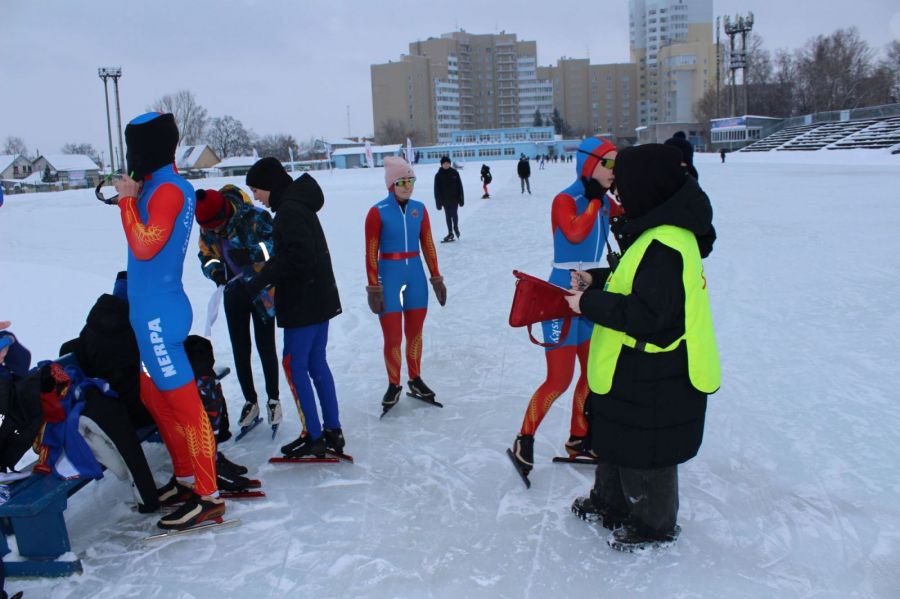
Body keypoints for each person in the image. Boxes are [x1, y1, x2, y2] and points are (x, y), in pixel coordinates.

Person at [566, 143, 720, 551]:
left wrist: (589, 304)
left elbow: (652, 317)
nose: (617, 192)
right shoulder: (654, 230)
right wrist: (596, 279)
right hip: (632, 364)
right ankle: (612, 501)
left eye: (623, 184)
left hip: (658, 370)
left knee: (648, 451)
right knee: (616, 437)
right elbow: (633, 280)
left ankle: (654, 524)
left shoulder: (667, 244)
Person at [112, 112, 224, 530]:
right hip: (148, 314)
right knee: (155, 398)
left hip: (160, 316)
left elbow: (145, 246)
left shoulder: (169, 190)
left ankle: (208, 495)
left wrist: (127, 201)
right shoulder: (158, 186)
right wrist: (133, 195)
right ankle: (186, 479)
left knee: (185, 407)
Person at [510, 136, 619, 480]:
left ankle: (578, 436)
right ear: (589, 164)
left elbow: (636, 217)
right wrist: (594, 203)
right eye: (608, 163)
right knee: (559, 378)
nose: (614, 171)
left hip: (591, 291)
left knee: (591, 373)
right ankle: (524, 438)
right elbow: (574, 233)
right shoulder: (565, 200)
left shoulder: (605, 201)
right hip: (559, 295)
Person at [244, 158, 345, 458]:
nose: (255, 197)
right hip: (320, 299)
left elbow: (297, 258)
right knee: (316, 363)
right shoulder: (299, 204)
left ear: (269, 185)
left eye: (256, 190)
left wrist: (261, 279)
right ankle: (332, 430)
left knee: (294, 364)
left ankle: (314, 435)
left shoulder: (288, 211)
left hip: (303, 304)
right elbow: (297, 254)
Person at [195, 185, 281, 434]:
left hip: (262, 290)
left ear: (225, 213)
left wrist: (250, 255)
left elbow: (275, 246)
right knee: (240, 349)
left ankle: (273, 400)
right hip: (234, 292)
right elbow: (206, 255)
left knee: (266, 346)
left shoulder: (255, 217)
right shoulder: (207, 226)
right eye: (209, 228)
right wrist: (215, 271)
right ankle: (250, 402)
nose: (214, 232)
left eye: (216, 226)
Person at [365, 156, 447, 411]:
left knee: (415, 333)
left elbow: (428, 245)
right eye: (402, 181)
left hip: (416, 278)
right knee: (392, 337)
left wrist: (436, 278)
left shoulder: (419, 210)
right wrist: (374, 287)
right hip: (388, 277)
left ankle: (415, 378)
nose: (407, 186)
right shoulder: (377, 212)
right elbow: (371, 251)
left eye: (411, 181)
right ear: (391, 184)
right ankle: (393, 383)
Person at [433, 155, 464, 242]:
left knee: (454, 214)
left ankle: (456, 228)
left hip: (454, 199)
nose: (446, 165)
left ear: (450, 164)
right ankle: (450, 232)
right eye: (444, 163)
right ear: (441, 164)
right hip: (445, 200)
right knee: (448, 216)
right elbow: (436, 190)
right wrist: (438, 203)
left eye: (448, 163)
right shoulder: (438, 175)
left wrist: (461, 199)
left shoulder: (455, 173)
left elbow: (459, 187)